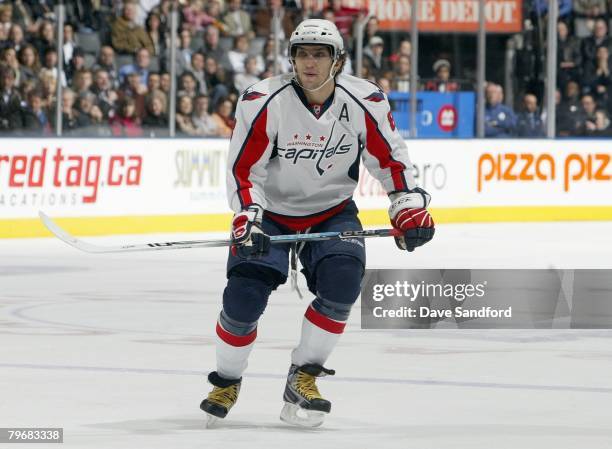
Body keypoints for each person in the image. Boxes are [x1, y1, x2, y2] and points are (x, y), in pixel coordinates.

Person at [200, 19, 435, 428]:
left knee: (343, 283)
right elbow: (243, 171)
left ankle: (303, 377)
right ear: (291, 58)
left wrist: (408, 206)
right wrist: (248, 217)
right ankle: (226, 380)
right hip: (270, 213)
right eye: (302, 53)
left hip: (332, 210)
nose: (310, 62)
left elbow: (391, 161)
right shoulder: (261, 99)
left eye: (320, 54)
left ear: (338, 60)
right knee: (243, 297)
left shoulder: (366, 100)